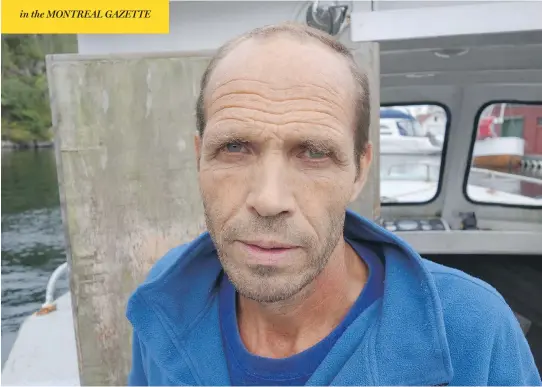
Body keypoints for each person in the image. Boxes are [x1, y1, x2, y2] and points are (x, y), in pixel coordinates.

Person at [126, 22, 541, 386]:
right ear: (200, 157)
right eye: (234, 147)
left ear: (360, 171)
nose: (269, 200)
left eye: (313, 153)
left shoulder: (471, 331)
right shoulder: (165, 299)